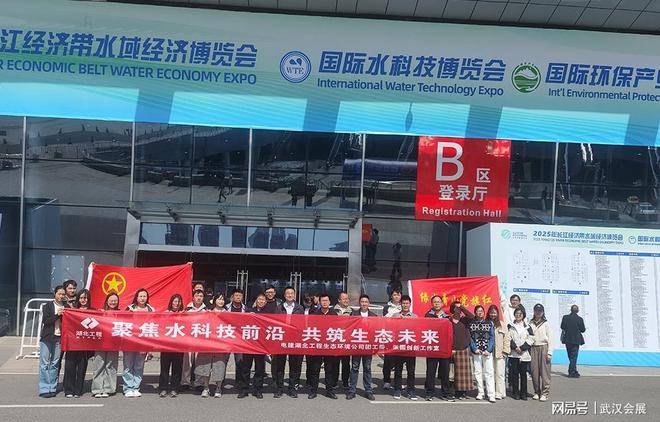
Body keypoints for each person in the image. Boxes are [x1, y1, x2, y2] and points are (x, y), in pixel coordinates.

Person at [195, 293, 230, 398]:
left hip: (221, 345)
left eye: (222, 299)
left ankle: (218, 388)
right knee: (206, 366)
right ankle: (206, 388)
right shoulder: (208, 312)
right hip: (208, 344)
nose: (221, 301)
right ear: (214, 300)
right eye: (219, 299)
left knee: (219, 366)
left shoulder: (228, 314)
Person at [122, 288, 154, 397]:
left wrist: (150, 346)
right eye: (140, 296)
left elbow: (154, 326)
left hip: (143, 342)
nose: (142, 298)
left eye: (144, 296)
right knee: (128, 365)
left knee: (139, 366)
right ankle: (128, 388)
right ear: (136, 297)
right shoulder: (130, 308)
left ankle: (136, 387)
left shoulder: (151, 310)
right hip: (130, 341)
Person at [307, 293, 338, 399]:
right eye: (323, 301)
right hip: (318, 346)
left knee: (329, 370)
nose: (325, 302)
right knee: (315, 369)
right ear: (319, 302)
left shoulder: (334, 314)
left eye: (326, 300)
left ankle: (329, 391)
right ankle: (313, 391)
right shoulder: (315, 314)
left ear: (329, 302)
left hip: (329, 346)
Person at [275, 286, 305, 397]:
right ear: (284, 295)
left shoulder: (299, 308)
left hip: (294, 340)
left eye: (291, 293)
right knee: (280, 366)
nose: (289, 295)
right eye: (287, 293)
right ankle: (279, 388)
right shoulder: (279, 308)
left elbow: (302, 324)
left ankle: (292, 388)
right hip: (281, 339)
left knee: (294, 365)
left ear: (294, 295)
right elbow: (275, 322)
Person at [38, 285, 67, 398]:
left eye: (63, 294)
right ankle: (44, 388)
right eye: (59, 294)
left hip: (59, 338)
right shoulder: (48, 306)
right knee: (44, 363)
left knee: (55, 363)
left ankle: (52, 387)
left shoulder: (66, 307)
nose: (61, 296)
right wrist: (57, 315)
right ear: (55, 294)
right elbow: (46, 321)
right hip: (47, 338)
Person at [63, 289, 93, 398]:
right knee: (69, 366)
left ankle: (78, 390)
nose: (83, 300)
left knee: (82, 367)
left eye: (85, 298)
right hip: (72, 343)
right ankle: (69, 390)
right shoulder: (72, 310)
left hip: (85, 344)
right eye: (81, 298)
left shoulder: (93, 311)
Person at [238, 293, 268, 399]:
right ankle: (244, 389)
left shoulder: (268, 314)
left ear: (266, 302)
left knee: (259, 369)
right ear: (256, 301)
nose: (261, 301)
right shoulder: (249, 311)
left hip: (261, 345)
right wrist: (247, 316)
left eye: (263, 300)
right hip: (249, 345)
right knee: (246, 368)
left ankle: (257, 389)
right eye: (259, 299)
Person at [347, 294, 376, 401]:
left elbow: (376, 331)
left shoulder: (373, 316)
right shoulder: (354, 314)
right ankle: (352, 390)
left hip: (368, 346)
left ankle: (368, 391)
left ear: (369, 303)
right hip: (356, 345)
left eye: (366, 302)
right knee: (354, 368)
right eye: (362, 302)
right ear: (359, 303)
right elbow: (349, 329)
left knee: (367, 368)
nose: (364, 304)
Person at [91, 292, 120, 398]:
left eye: (115, 300)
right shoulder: (100, 312)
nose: (113, 302)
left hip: (114, 344)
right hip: (100, 343)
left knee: (111, 367)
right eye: (111, 300)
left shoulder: (121, 313)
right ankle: (97, 389)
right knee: (98, 366)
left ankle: (109, 389)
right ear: (107, 301)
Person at [424, 295, 452, 401]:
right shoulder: (428, 315)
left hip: (444, 348)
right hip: (432, 347)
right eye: (435, 302)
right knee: (431, 371)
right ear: (432, 304)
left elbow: (450, 332)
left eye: (438, 302)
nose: (436, 304)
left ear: (442, 303)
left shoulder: (447, 317)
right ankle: (429, 392)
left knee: (445, 371)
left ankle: (445, 393)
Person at [391, 295, 418, 400]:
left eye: (407, 303)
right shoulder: (395, 315)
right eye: (403, 303)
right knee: (398, 369)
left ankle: (411, 390)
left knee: (411, 370)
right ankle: (397, 389)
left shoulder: (415, 317)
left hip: (411, 347)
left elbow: (418, 330)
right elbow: (391, 329)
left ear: (410, 304)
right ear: (400, 304)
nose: (405, 305)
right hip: (399, 346)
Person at [158, 294, 184, 398]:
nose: (177, 303)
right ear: (171, 302)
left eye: (179, 301)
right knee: (164, 368)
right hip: (166, 345)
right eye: (175, 301)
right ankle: (163, 388)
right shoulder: (165, 313)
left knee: (177, 368)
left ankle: (174, 388)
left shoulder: (184, 315)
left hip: (179, 345)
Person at [506, 306, 534, 400]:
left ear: (523, 315)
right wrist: (515, 347)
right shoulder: (510, 326)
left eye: (520, 314)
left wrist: (522, 348)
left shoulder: (527, 326)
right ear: (514, 315)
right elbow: (508, 338)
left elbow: (531, 338)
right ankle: (516, 393)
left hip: (524, 354)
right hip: (513, 354)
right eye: (516, 313)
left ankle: (523, 393)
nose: (518, 315)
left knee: (523, 374)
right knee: (514, 374)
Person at [469, 305, 496, 403]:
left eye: (481, 311)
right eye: (478, 311)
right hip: (476, 352)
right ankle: (480, 392)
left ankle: (491, 394)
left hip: (487, 352)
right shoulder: (471, 324)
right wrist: (474, 348)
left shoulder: (489, 323)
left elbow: (492, 337)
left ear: (484, 313)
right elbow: (470, 337)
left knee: (489, 372)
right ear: (475, 312)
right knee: (477, 372)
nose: (480, 312)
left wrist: (489, 349)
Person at [449, 301, 475, 400]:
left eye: (459, 308)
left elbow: (472, 317)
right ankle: (455, 392)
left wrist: (462, 307)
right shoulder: (449, 320)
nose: (457, 309)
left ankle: (463, 392)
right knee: (453, 372)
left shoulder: (465, 319)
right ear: (452, 309)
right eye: (455, 308)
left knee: (464, 373)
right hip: (453, 349)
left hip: (463, 348)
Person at [182, 289, 207, 390]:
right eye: (197, 296)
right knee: (187, 362)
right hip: (188, 340)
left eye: (201, 296)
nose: (199, 298)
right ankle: (185, 382)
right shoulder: (187, 310)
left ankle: (199, 383)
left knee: (199, 362)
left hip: (200, 340)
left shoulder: (206, 311)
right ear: (193, 297)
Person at [225, 288, 248, 395]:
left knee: (240, 362)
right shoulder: (226, 308)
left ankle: (239, 383)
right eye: (236, 295)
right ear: (232, 297)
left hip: (240, 339)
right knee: (223, 361)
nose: (238, 297)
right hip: (227, 337)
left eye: (240, 296)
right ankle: (220, 382)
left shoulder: (246, 309)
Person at [529, 304, 553, 402]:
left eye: (540, 311)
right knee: (534, 372)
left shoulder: (546, 324)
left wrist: (549, 352)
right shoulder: (530, 323)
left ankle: (545, 393)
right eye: (536, 311)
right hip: (533, 348)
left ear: (543, 312)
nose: (538, 313)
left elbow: (551, 339)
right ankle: (537, 392)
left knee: (545, 372)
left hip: (544, 347)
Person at [381, 288, 402, 390]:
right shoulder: (387, 307)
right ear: (391, 296)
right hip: (389, 336)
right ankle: (386, 380)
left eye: (398, 295)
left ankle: (398, 382)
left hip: (401, 337)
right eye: (394, 295)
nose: (396, 297)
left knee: (399, 361)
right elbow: (385, 320)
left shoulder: (404, 306)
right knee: (388, 360)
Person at [487, 304, 509, 400]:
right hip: (489, 353)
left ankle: (500, 392)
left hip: (500, 352)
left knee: (500, 373)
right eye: (491, 313)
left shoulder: (502, 324)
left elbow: (507, 338)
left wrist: (505, 351)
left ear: (497, 313)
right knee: (490, 373)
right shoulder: (486, 324)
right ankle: (491, 391)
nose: (493, 314)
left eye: (494, 313)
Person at [334, 291, 353, 390]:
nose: (346, 300)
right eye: (344, 299)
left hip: (346, 341)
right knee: (335, 363)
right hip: (336, 339)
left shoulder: (352, 311)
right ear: (339, 300)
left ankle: (345, 382)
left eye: (347, 299)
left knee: (346, 363)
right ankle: (334, 381)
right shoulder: (333, 311)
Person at [561, 304, 585, 378]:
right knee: (574, 356)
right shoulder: (580, 319)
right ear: (577, 311)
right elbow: (583, 330)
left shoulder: (565, 317)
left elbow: (562, 327)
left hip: (567, 339)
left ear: (571, 310)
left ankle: (573, 370)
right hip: (576, 340)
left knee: (570, 356)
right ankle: (572, 372)